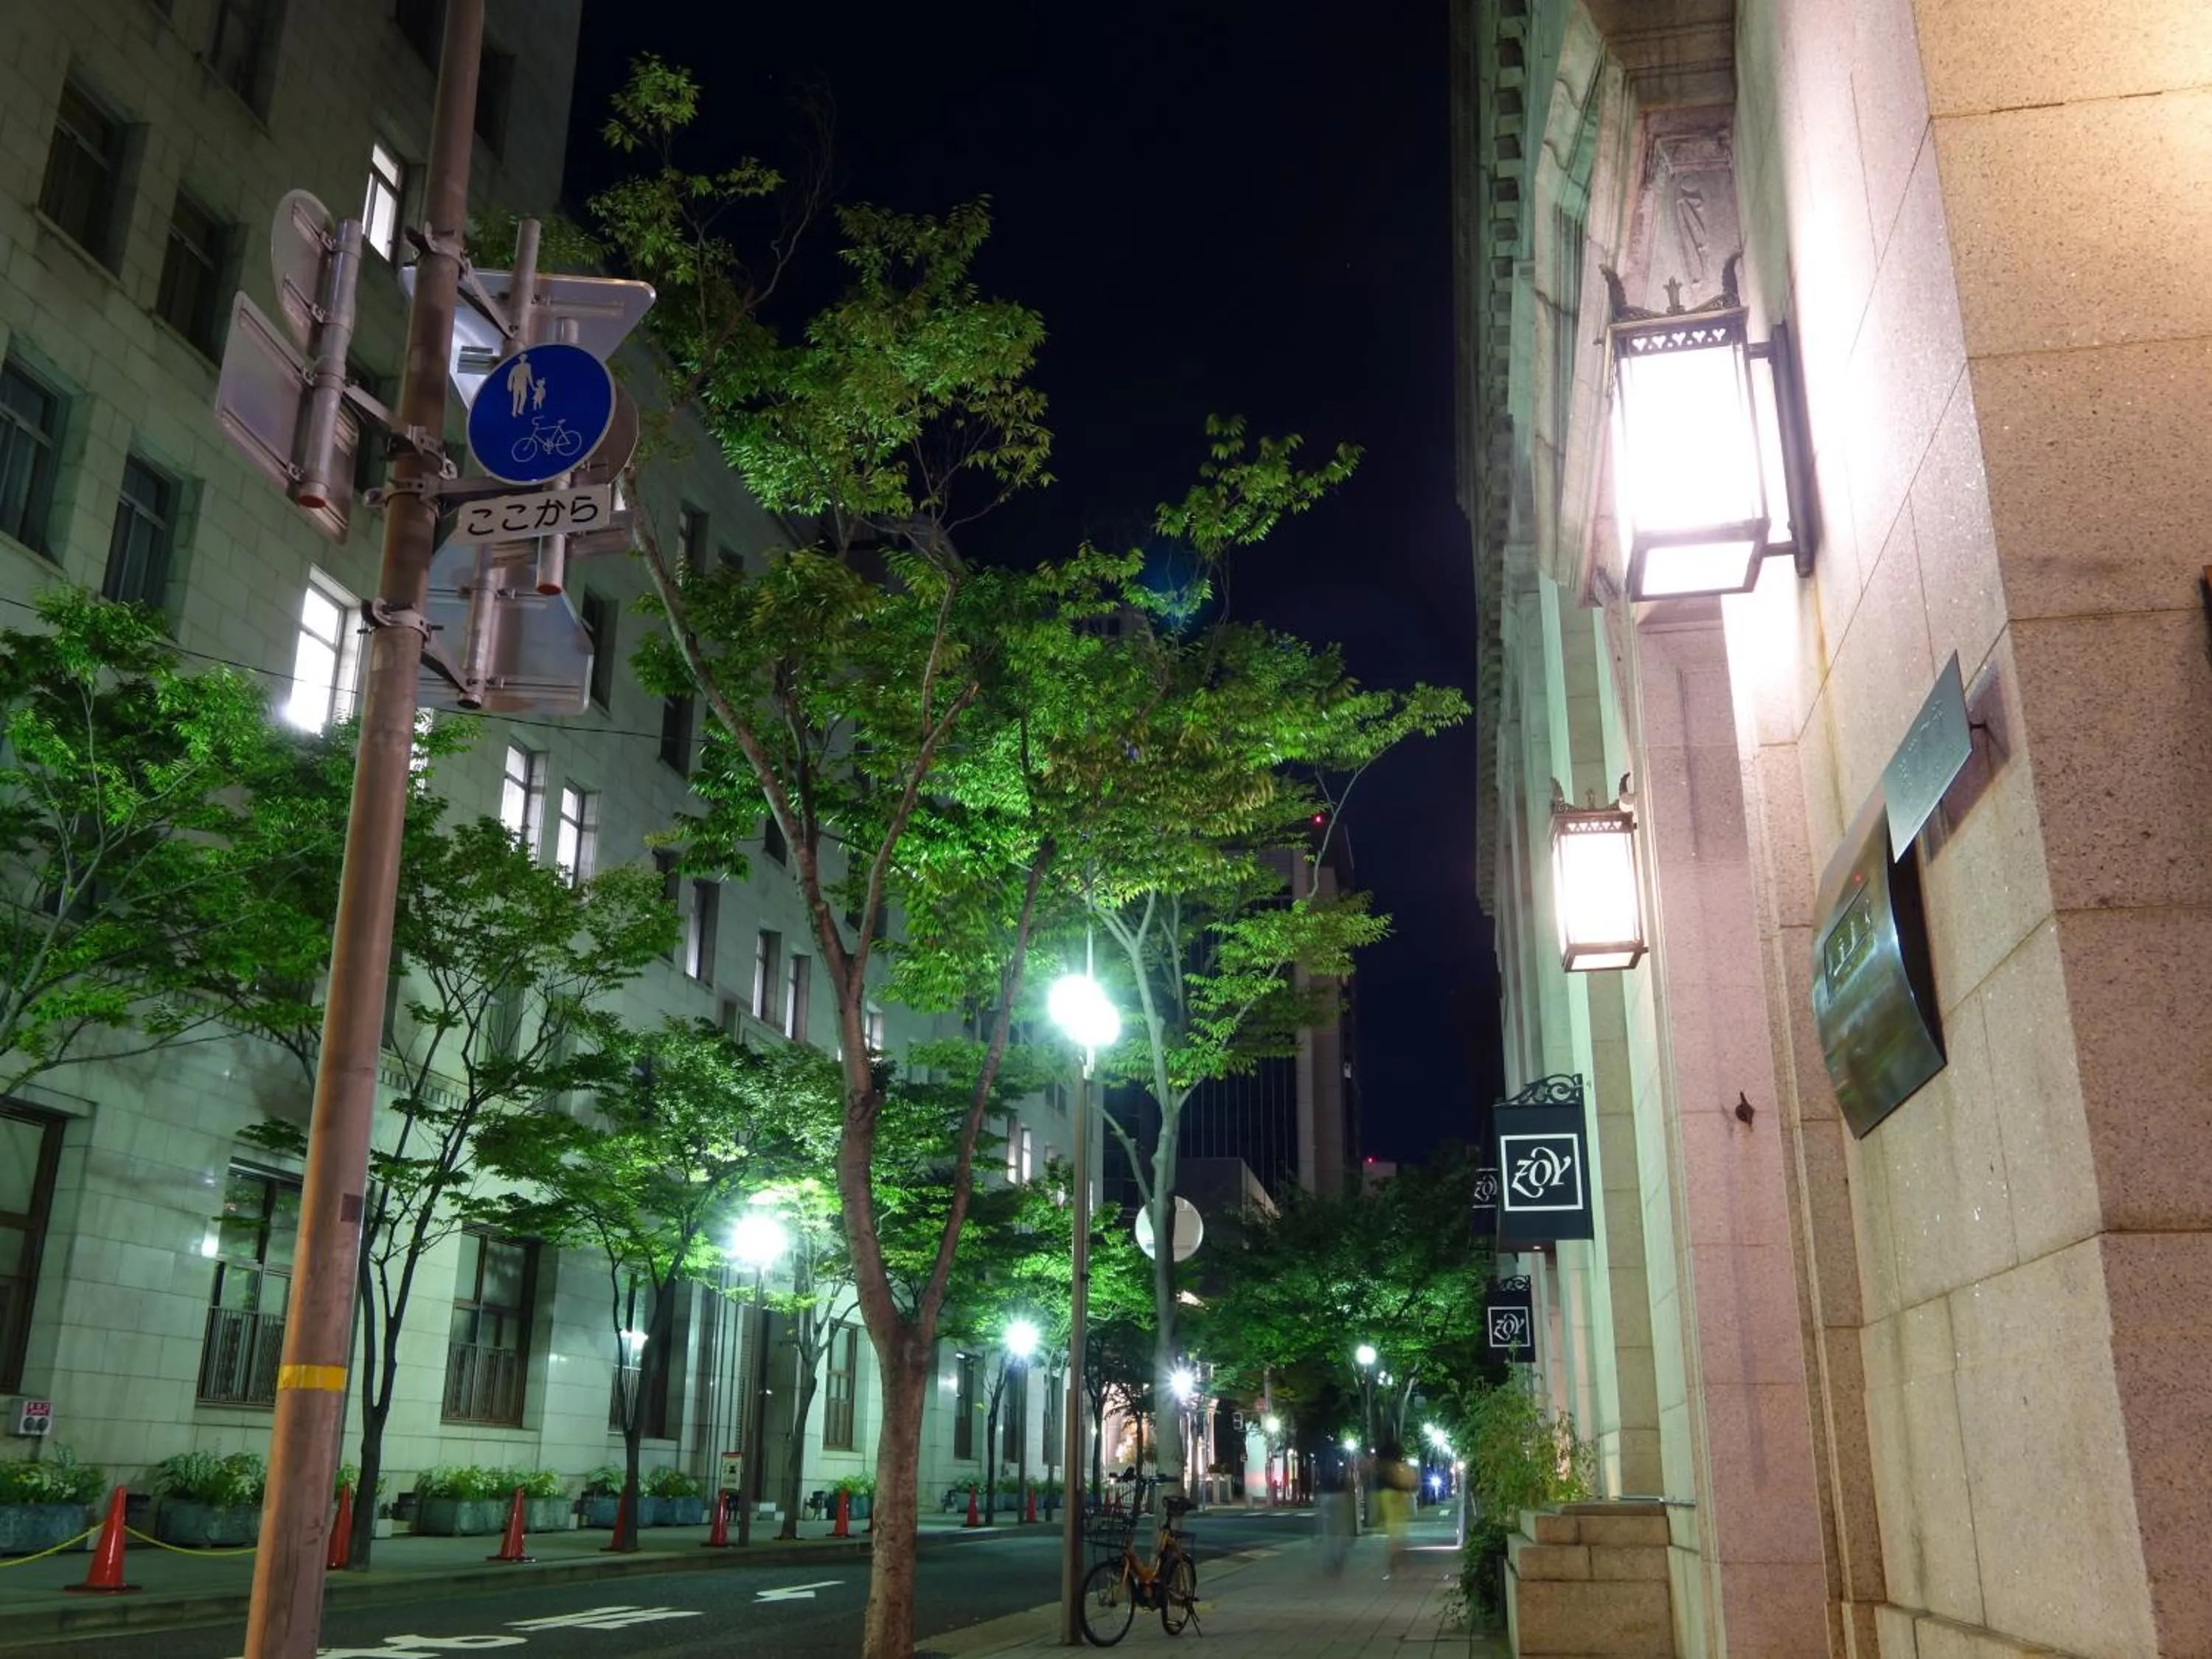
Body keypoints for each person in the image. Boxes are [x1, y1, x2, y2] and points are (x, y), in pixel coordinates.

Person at [1374, 1441, 1418, 1578]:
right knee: (1398, 1529)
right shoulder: (1400, 1467)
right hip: (1399, 1496)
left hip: (1387, 1495)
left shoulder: (1384, 1467)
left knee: (1394, 1530)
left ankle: (1394, 1562)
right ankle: (1398, 1559)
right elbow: (1410, 1482)